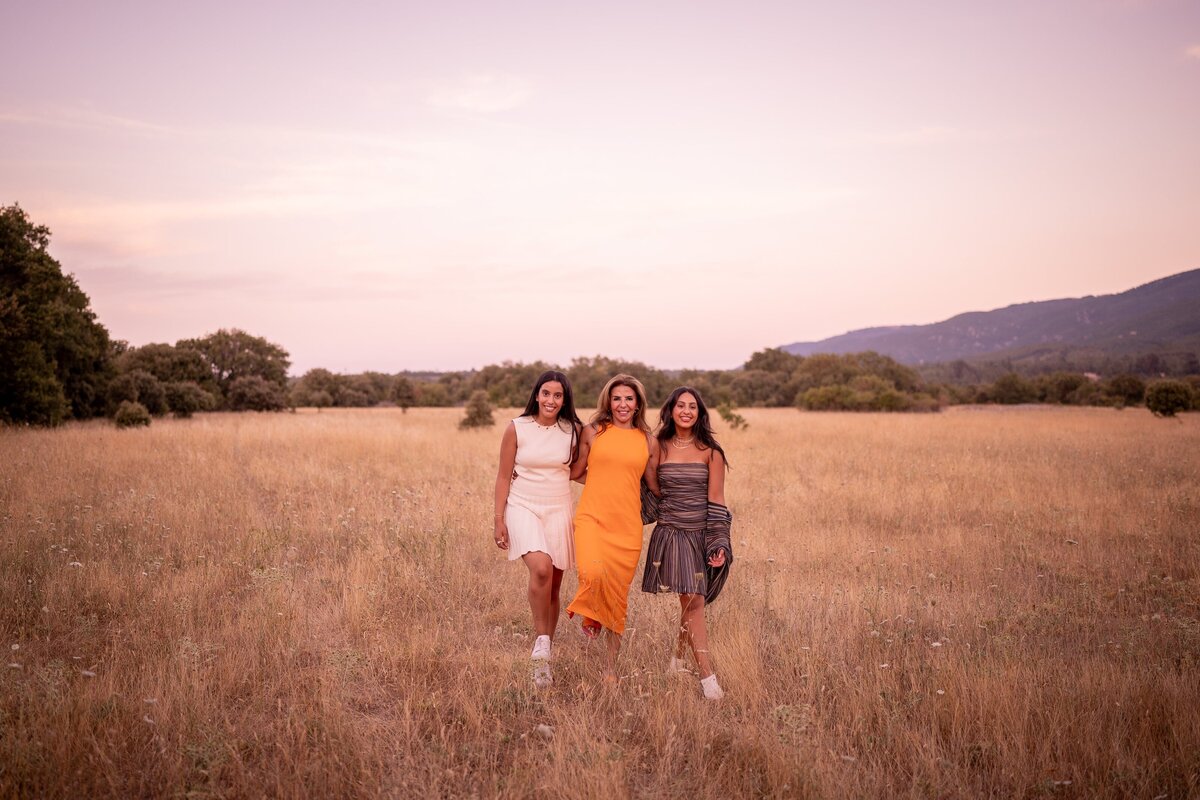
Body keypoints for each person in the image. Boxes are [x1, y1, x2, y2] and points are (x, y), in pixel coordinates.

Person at [641, 386, 733, 701]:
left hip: (700, 534)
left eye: (692, 406)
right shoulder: (658, 447)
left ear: (699, 413)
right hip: (670, 533)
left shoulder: (711, 452)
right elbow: (649, 486)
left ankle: (676, 660)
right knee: (692, 600)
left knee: (690, 602)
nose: (686, 411)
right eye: (680, 405)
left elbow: (717, 500)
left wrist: (718, 541)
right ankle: (709, 680)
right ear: (671, 410)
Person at [566, 373, 659, 684]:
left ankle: (609, 670)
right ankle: (592, 613)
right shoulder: (593, 431)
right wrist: (526, 470)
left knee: (618, 597)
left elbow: (655, 486)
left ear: (638, 404)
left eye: (629, 399)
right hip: (592, 518)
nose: (622, 404)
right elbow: (577, 471)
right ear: (608, 400)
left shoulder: (648, 440)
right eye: (617, 398)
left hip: (628, 528)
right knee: (592, 574)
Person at [493, 371, 583, 688]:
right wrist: (498, 518)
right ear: (536, 394)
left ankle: (545, 650)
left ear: (564, 400)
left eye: (557, 395)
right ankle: (540, 646)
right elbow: (504, 476)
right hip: (523, 506)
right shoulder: (517, 428)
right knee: (542, 569)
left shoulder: (573, 431)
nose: (551, 400)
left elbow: (579, 471)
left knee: (555, 586)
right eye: (546, 393)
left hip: (558, 508)